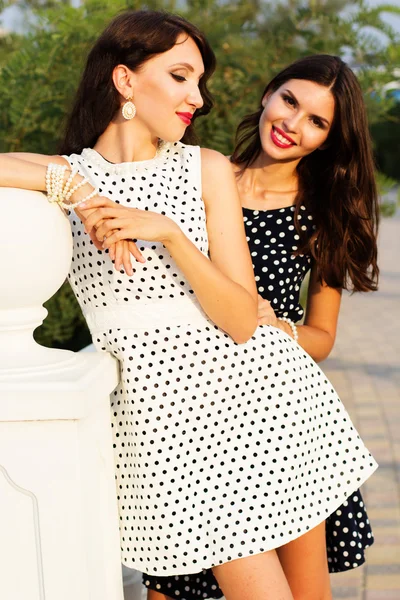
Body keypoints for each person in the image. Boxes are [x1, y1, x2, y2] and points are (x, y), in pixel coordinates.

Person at [0, 12, 377, 600]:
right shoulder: (72, 177)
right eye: (180, 77)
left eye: (198, 83)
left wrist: (171, 233)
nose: (196, 99)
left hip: (264, 397)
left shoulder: (206, 168)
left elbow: (238, 317)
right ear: (125, 80)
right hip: (165, 425)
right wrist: (74, 189)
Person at [141, 53, 379, 600]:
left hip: (277, 416)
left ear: (328, 139)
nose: (293, 124)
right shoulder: (195, 175)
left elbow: (322, 337)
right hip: (190, 415)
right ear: (269, 94)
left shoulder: (325, 212)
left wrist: (275, 327)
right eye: (291, 101)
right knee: (174, 589)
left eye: (317, 122)